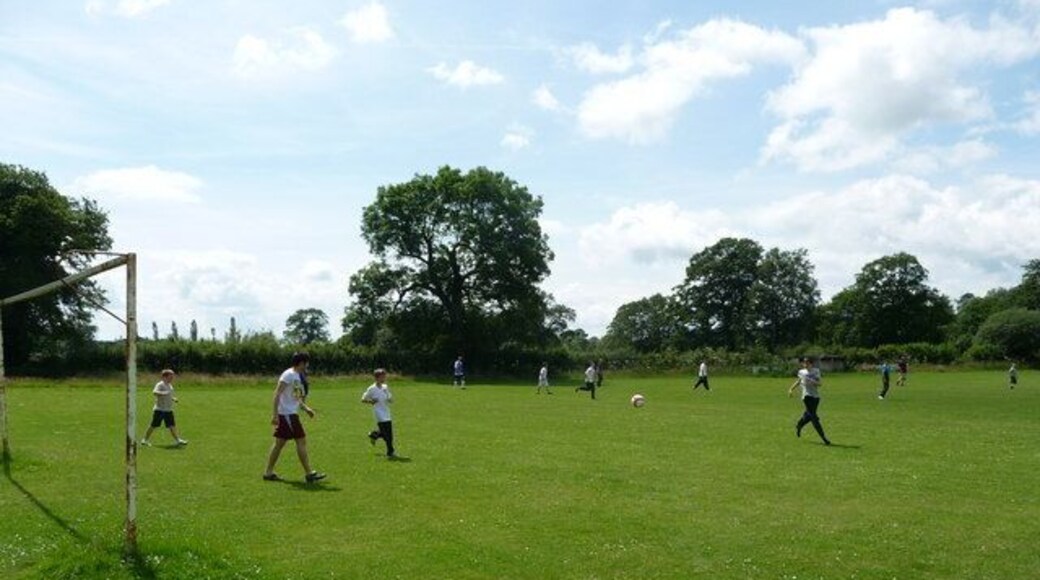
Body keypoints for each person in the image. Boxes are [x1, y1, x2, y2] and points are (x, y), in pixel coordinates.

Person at [262, 352, 326, 483]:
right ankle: (309, 474)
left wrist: (306, 408)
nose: (307, 365)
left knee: (279, 444)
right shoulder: (288, 375)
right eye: (306, 363)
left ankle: (268, 473)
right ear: (301, 363)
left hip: (290, 414)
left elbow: (296, 397)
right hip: (287, 415)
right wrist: (275, 415)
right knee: (301, 441)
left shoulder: (297, 376)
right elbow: (277, 393)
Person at [788, 358, 831, 446]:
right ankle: (824, 438)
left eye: (807, 363)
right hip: (806, 396)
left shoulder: (816, 371)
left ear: (811, 364)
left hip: (815, 396)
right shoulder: (801, 372)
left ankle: (799, 424)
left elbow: (819, 384)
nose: (805, 364)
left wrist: (812, 381)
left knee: (809, 415)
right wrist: (791, 389)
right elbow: (799, 381)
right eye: (804, 363)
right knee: (814, 417)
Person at [141, 369, 187, 447]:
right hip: (160, 410)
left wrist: (173, 399)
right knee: (153, 425)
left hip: (168, 409)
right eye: (170, 376)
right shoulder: (160, 384)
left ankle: (178, 440)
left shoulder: (169, 385)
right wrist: (163, 393)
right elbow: (154, 392)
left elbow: (169, 395)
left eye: (172, 376)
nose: (172, 378)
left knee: (172, 425)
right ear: (165, 377)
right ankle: (144, 440)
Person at [362, 368, 397, 459]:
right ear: (376, 377)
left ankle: (374, 434)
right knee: (387, 435)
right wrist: (371, 401)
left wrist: (390, 399)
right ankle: (390, 452)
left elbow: (390, 398)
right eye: (382, 376)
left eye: (384, 376)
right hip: (379, 413)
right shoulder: (372, 388)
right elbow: (363, 399)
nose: (384, 378)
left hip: (387, 412)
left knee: (389, 434)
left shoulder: (385, 387)